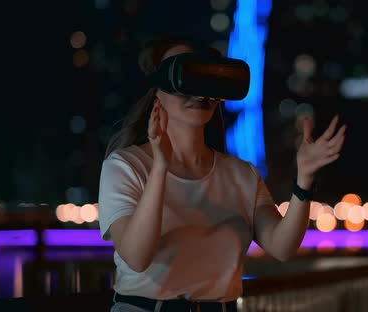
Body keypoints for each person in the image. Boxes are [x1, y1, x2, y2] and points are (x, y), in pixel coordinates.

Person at [98, 36, 346, 312]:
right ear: (158, 91)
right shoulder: (125, 166)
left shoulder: (242, 175)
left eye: (205, 76)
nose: (197, 91)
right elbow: (136, 255)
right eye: (183, 75)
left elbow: (281, 246)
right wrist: (160, 167)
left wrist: (304, 180)